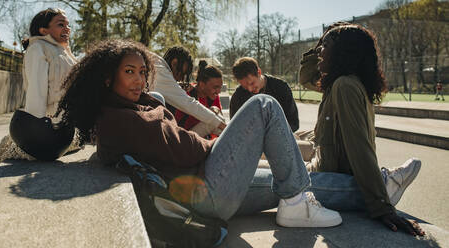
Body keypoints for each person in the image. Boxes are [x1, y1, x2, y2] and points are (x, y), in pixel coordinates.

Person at [56, 39, 345, 230]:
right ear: (108, 77)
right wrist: (219, 142)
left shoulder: (122, 110)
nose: (140, 79)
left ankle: (376, 188)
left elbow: (171, 139)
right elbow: (186, 149)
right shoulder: (122, 119)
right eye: (129, 71)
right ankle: (296, 204)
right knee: (264, 106)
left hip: (198, 187)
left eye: (142, 72)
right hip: (204, 191)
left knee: (289, 179)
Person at [299, 22, 425, 236]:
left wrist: (381, 207)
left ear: (342, 52)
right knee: (270, 154)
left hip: (331, 177)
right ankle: (384, 183)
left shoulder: (345, 86)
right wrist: (326, 38)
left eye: (325, 45)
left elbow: (360, 148)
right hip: (322, 165)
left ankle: (384, 183)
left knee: (266, 173)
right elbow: (306, 77)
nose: (319, 50)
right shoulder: (336, 83)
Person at [0, 8, 80, 164]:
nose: (67, 28)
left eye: (68, 25)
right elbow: (36, 91)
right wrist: (38, 132)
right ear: (44, 30)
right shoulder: (37, 48)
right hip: (52, 125)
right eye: (61, 24)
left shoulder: (66, 53)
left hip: (68, 122)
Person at [149, 46, 226, 135]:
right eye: (182, 73)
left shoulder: (158, 66)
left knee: (216, 119)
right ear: (174, 63)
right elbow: (188, 104)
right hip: (181, 135)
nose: (181, 78)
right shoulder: (160, 70)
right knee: (215, 122)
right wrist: (224, 126)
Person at [230, 57, 299, 132]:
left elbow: (293, 123)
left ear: (259, 72)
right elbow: (235, 127)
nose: (250, 89)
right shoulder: (238, 96)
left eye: (252, 83)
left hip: (279, 135)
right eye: (245, 87)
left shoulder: (281, 88)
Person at [175, 60, 225, 138]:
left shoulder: (213, 96)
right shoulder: (188, 93)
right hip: (184, 137)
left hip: (202, 136)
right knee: (213, 117)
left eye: (220, 87)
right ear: (202, 84)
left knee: (217, 119)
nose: (219, 91)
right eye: (215, 87)